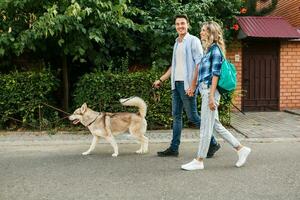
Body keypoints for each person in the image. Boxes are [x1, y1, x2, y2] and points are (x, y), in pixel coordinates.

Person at [181, 21, 251, 170]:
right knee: (216, 126)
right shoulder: (208, 50)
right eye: (201, 30)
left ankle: (199, 160)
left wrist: (211, 97)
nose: (201, 32)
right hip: (205, 90)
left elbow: (215, 75)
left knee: (205, 127)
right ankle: (241, 149)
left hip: (209, 92)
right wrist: (194, 87)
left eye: (204, 30)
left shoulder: (216, 50)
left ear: (211, 33)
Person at [153, 14, 220, 157]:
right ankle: (174, 148)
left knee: (193, 117)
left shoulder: (193, 41)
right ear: (175, 26)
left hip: (187, 85)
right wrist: (161, 79)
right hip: (175, 85)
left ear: (187, 24)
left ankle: (213, 143)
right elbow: (174, 66)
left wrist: (193, 85)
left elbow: (199, 63)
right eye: (177, 24)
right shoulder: (177, 42)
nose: (180, 26)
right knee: (176, 116)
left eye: (182, 23)